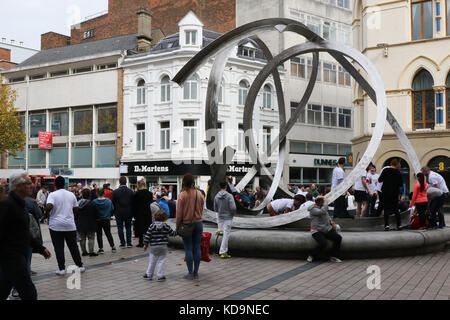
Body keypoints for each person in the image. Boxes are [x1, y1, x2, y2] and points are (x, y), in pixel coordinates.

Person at [0, 171, 52, 300]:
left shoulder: (20, 204)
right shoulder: (8, 205)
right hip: (12, 257)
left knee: (3, 290)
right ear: (18, 186)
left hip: (16, 256)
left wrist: (40, 248)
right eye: (28, 183)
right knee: (29, 292)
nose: (32, 186)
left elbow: (23, 232)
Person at [45, 176, 85, 275]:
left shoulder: (52, 194)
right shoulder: (71, 195)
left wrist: (46, 214)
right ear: (64, 184)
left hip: (55, 225)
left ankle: (62, 269)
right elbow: (76, 208)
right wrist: (70, 214)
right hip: (70, 225)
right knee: (73, 247)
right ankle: (80, 266)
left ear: (55, 184)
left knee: (58, 247)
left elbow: (49, 206)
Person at [176, 174, 204, 280]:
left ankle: (190, 273)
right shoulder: (199, 194)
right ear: (193, 182)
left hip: (187, 224)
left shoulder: (182, 195)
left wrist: (177, 226)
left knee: (188, 249)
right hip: (198, 223)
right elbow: (201, 209)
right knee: (197, 247)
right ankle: (196, 272)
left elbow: (179, 214)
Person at [142, 210, 177, 281]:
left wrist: (145, 245)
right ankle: (160, 276)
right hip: (163, 247)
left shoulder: (152, 226)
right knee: (161, 261)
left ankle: (149, 275)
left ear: (155, 217)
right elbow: (172, 233)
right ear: (165, 218)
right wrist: (177, 231)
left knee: (152, 261)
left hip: (154, 247)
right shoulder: (166, 226)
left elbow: (147, 236)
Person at [307, 196, 342, 263]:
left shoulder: (323, 207)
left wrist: (331, 222)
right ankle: (311, 254)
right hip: (316, 230)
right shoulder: (313, 209)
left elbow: (327, 215)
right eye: (323, 202)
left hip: (327, 228)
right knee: (323, 243)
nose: (324, 203)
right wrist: (326, 203)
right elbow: (322, 212)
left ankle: (334, 256)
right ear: (319, 202)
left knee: (338, 238)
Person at [378, 159, 404, 231]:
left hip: (385, 192)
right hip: (394, 193)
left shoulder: (385, 170)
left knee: (386, 209)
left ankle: (387, 225)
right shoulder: (398, 173)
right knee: (396, 209)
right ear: (397, 164)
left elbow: (380, 179)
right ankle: (399, 225)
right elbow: (401, 184)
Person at [214, 181, 237, 259]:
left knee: (222, 233)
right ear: (226, 187)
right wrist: (233, 214)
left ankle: (219, 229)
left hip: (220, 217)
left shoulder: (216, 196)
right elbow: (233, 208)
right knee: (226, 235)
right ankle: (223, 252)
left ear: (220, 187)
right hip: (228, 218)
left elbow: (215, 209)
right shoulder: (229, 196)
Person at [75, 189, 100, 257]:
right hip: (91, 224)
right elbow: (97, 215)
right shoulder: (93, 204)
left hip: (80, 224)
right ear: (89, 195)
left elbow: (75, 215)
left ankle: (84, 252)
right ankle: (91, 252)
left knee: (82, 238)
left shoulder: (78, 203)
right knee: (91, 238)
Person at [111, 177, 134, 248]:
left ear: (120, 182)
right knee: (128, 227)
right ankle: (129, 243)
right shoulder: (130, 191)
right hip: (128, 212)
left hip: (118, 212)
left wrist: (114, 212)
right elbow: (133, 203)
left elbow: (113, 203)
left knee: (120, 228)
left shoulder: (115, 192)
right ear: (126, 182)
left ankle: (123, 243)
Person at [93, 188, 116, 254]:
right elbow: (112, 209)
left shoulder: (94, 202)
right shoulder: (108, 201)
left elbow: (93, 211)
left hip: (98, 220)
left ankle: (101, 248)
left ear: (97, 193)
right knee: (108, 233)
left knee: (99, 234)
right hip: (106, 219)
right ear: (104, 193)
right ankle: (113, 247)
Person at [133, 179, 154, 248]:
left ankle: (141, 242)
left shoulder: (137, 194)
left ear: (138, 185)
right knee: (148, 227)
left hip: (139, 213)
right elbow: (151, 202)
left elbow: (134, 205)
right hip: (147, 212)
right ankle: (149, 241)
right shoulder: (150, 193)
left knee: (140, 228)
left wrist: (134, 214)